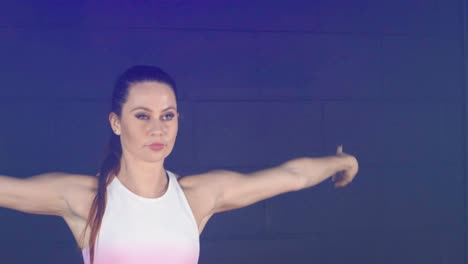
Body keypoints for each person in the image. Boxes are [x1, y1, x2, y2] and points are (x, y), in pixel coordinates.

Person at [0, 65, 358, 264]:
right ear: (116, 122)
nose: (157, 128)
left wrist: (340, 161)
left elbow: (291, 176)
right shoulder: (85, 198)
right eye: (142, 115)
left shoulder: (196, 197)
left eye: (167, 115)